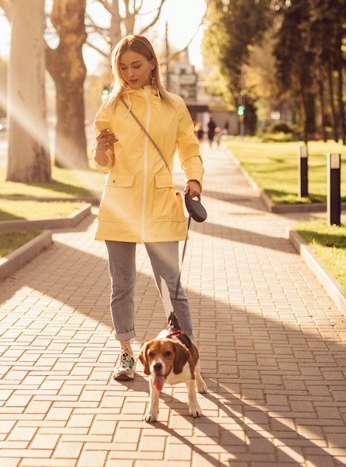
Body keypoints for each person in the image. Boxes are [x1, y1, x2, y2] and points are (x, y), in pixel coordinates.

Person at [92, 35, 205, 381]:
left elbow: (188, 147)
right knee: (121, 286)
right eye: (123, 67)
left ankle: (188, 357)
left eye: (136, 65)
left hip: (160, 203)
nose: (130, 73)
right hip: (120, 204)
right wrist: (99, 149)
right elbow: (101, 162)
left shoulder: (174, 106)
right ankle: (126, 353)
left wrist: (194, 179)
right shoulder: (110, 106)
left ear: (152, 63)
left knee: (172, 288)